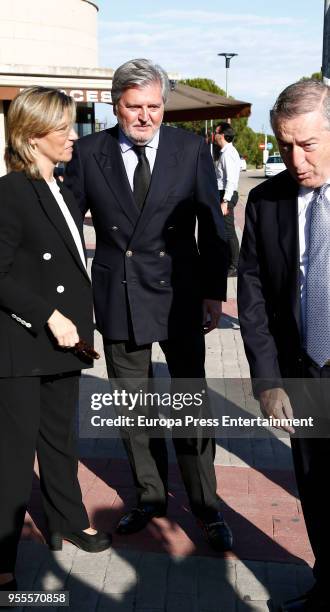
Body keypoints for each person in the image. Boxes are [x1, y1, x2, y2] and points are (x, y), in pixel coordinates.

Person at [65, 58, 232, 551]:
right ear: (115, 105)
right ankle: (150, 498)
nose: (144, 117)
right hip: (118, 293)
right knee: (133, 407)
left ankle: (206, 505)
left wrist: (213, 292)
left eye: (154, 106)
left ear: (164, 105)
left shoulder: (190, 149)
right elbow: (68, 224)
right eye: (133, 107)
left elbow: (213, 224)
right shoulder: (89, 151)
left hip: (180, 293)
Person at [0, 87, 112, 592]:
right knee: (14, 454)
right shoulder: (9, 193)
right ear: (31, 135)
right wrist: (47, 315)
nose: (72, 135)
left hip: (66, 343)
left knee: (61, 440)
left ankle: (67, 519)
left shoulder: (61, 189)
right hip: (22, 344)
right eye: (63, 127)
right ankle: (3, 550)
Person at [238, 79, 330, 612]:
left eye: (308, 145)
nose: (295, 158)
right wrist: (268, 379)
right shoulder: (266, 201)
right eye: (285, 144)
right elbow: (252, 298)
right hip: (304, 372)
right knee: (316, 492)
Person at [214, 122, 241, 277]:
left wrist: (225, 201)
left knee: (229, 230)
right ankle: (229, 262)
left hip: (226, 194)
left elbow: (230, 180)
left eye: (216, 132)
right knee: (225, 230)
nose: (214, 135)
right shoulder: (225, 152)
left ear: (222, 135)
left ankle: (235, 266)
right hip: (224, 194)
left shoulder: (228, 153)